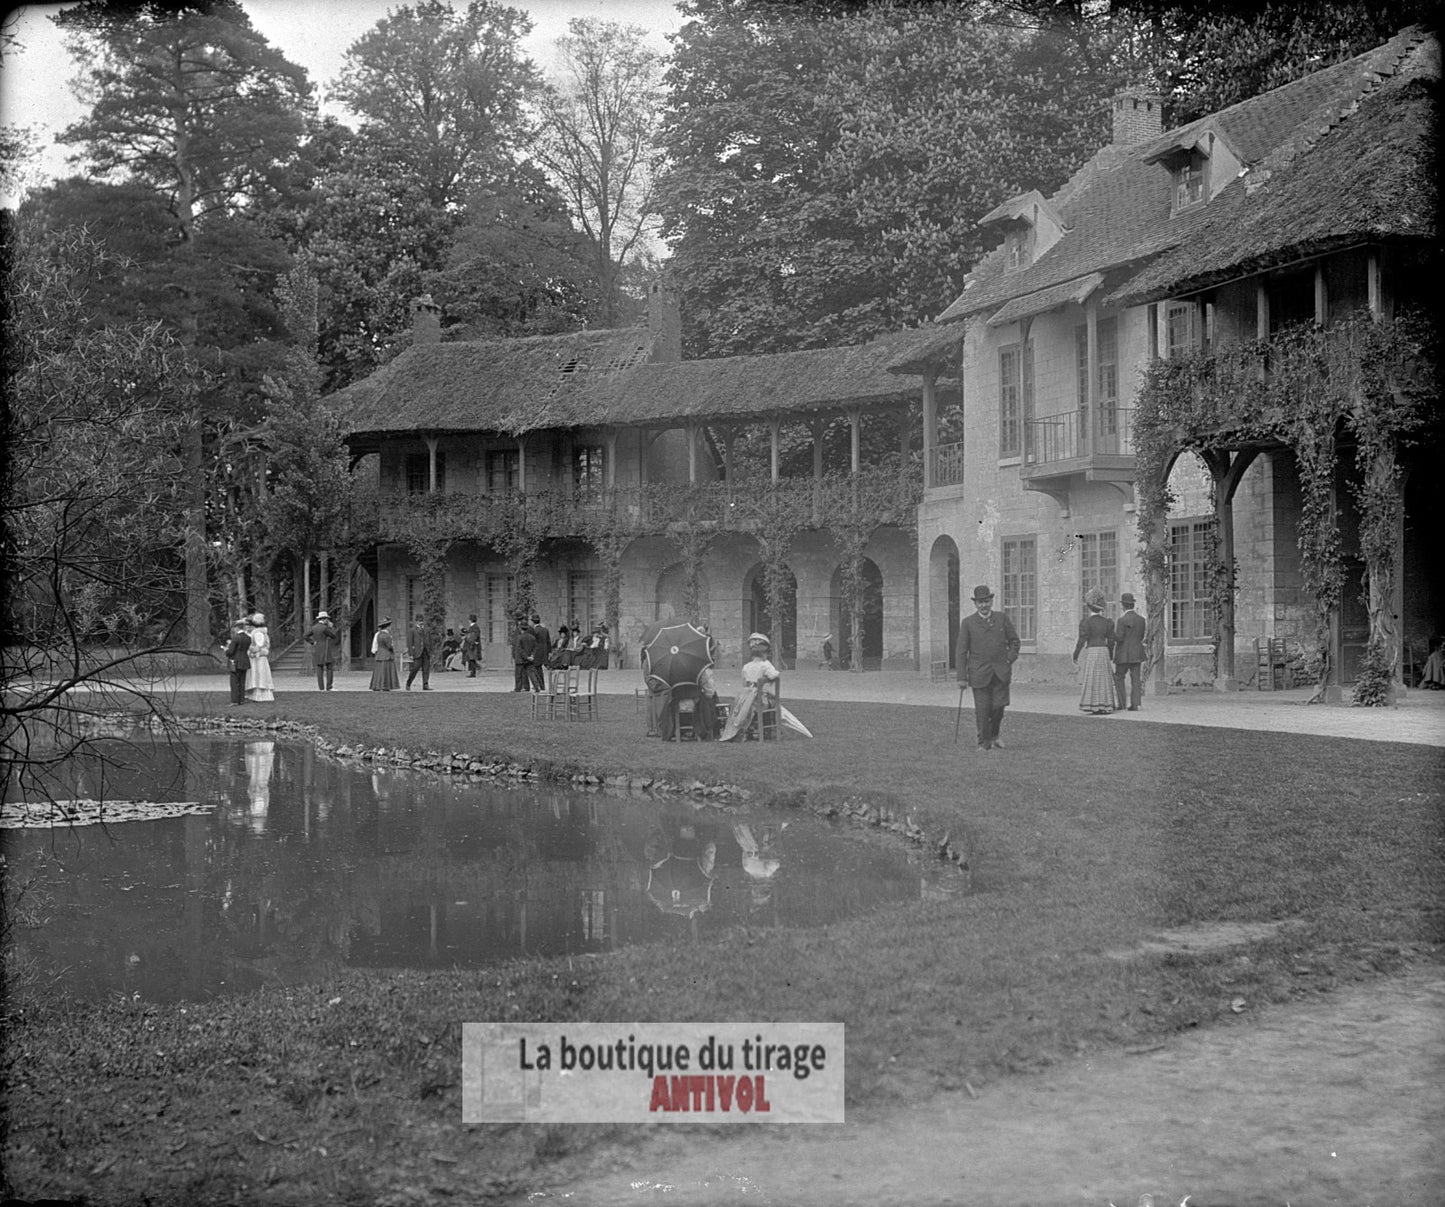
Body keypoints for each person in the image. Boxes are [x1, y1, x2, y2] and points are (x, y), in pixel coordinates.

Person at [957, 585, 1020, 751]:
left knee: (999, 707)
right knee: (983, 711)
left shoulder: (1002, 618)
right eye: (980, 602)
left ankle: (995, 736)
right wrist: (962, 677)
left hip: (1000, 672)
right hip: (979, 673)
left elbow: (1014, 641)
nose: (984, 605)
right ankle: (984, 743)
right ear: (975, 604)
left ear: (991, 601)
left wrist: (1009, 659)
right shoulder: (968, 623)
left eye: (986, 601)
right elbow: (961, 651)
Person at [719, 633, 780, 741]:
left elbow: (744, 683)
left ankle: (749, 729)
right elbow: (773, 675)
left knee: (751, 702)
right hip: (759, 701)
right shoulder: (765, 665)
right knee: (772, 702)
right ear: (765, 653)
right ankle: (768, 731)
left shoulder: (746, 667)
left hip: (745, 699)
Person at [1074, 588, 1117, 715]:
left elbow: (1081, 640)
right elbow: (1111, 641)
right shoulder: (1107, 622)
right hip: (1103, 651)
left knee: (1092, 677)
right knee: (1103, 678)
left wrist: (1076, 654)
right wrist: (1110, 654)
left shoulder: (1086, 622)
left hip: (1092, 650)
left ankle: (1092, 704)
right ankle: (1105, 704)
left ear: (1089, 607)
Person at [1113, 592, 1147, 711]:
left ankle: (1122, 704)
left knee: (1119, 677)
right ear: (1132, 605)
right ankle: (1136, 704)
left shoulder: (1121, 620)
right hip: (1137, 653)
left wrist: (1112, 634)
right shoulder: (1141, 620)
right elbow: (1141, 637)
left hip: (1123, 654)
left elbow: (1120, 638)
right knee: (1136, 679)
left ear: (1123, 605)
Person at [244, 612, 275, 703]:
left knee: (259, 674)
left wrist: (250, 649)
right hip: (257, 657)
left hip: (258, 657)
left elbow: (259, 645)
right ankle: (254, 693)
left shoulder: (258, 632)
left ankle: (261, 694)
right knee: (256, 674)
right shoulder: (260, 632)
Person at [306, 610, 340, 691]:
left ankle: (321, 688)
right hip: (326, 649)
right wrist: (331, 627)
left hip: (317, 649)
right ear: (324, 619)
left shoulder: (314, 627)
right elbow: (333, 636)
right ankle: (329, 686)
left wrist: (312, 642)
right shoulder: (325, 628)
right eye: (327, 619)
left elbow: (305, 636)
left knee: (319, 668)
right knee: (329, 667)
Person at [223, 622, 251, 706]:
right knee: (242, 681)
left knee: (234, 681)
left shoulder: (235, 638)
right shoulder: (248, 638)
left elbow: (231, 651)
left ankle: (234, 700)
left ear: (237, 628)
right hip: (244, 660)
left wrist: (226, 650)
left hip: (235, 661)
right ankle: (241, 699)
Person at [369, 618, 399, 691]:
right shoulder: (387, 635)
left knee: (379, 671)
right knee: (385, 671)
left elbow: (376, 645)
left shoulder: (378, 634)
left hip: (379, 654)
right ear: (387, 627)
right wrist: (392, 649)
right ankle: (385, 686)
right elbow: (389, 646)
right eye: (389, 626)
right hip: (386, 654)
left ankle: (377, 685)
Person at [405, 617, 433, 691]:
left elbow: (430, 640)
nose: (421, 623)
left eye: (422, 621)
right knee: (415, 668)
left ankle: (425, 684)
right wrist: (411, 654)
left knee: (426, 669)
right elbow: (410, 643)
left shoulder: (427, 630)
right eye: (419, 621)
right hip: (417, 652)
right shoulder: (413, 630)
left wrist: (430, 650)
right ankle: (408, 683)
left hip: (426, 651)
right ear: (416, 622)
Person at [511, 615, 537, 691]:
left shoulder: (525, 630)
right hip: (523, 654)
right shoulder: (517, 628)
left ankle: (522, 687)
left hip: (523, 654)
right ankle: (525, 687)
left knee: (521, 673)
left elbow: (526, 644)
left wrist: (527, 655)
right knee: (524, 672)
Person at [529, 613, 551, 691]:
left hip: (537, 652)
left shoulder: (534, 631)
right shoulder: (545, 629)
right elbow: (548, 642)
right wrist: (549, 652)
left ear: (533, 622)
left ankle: (538, 685)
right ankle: (541, 685)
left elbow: (532, 642)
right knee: (539, 669)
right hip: (544, 652)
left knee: (535, 669)